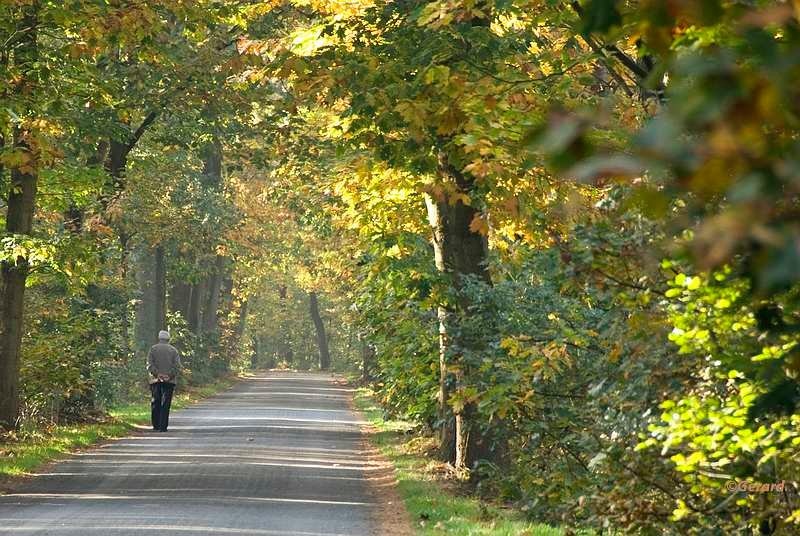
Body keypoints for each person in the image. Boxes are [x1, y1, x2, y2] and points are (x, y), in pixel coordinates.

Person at [147, 330, 180, 432]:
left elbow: (149, 364)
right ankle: (163, 426)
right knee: (165, 403)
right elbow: (177, 366)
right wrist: (169, 376)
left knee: (155, 402)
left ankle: (155, 425)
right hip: (169, 381)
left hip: (155, 380)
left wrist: (157, 374)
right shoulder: (173, 350)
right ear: (168, 339)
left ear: (159, 338)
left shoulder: (153, 349)